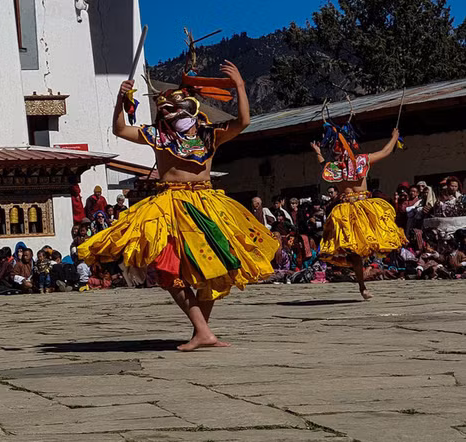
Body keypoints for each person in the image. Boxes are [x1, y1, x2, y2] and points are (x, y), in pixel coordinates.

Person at [79, 58, 278, 351]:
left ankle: (202, 332)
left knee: (215, 268)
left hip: (208, 205)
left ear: (190, 107)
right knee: (169, 270)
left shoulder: (210, 134)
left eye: (172, 105)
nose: (165, 109)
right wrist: (121, 100)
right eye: (162, 107)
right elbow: (121, 130)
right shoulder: (159, 136)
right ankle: (203, 331)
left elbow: (243, 122)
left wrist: (239, 86)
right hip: (169, 206)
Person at [310, 117, 406, 300]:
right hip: (347, 211)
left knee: (376, 241)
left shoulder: (358, 162)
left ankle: (374, 272)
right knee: (354, 251)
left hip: (364, 209)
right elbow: (386, 151)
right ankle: (362, 286)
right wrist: (395, 137)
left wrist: (394, 137)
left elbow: (385, 152)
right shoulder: (336, 167)